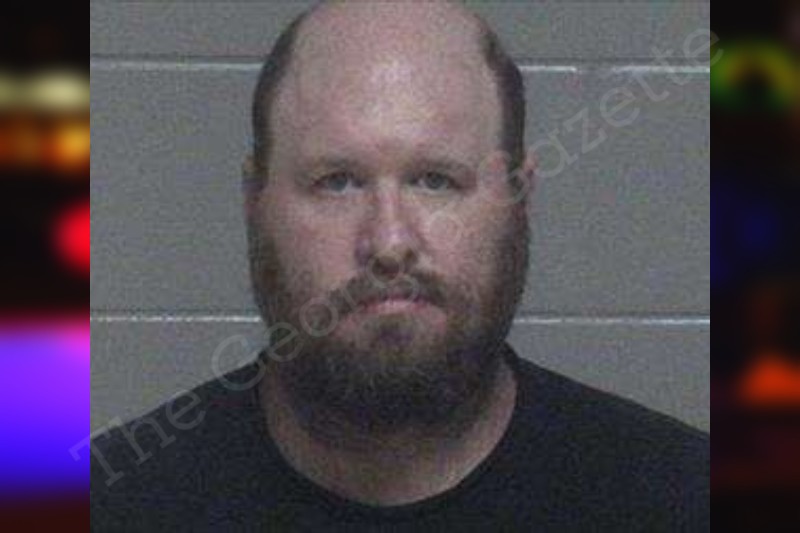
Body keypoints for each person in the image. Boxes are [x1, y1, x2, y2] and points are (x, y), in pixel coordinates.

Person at [90, 1, 709, 530]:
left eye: (436, 180)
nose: (388, 243)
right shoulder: (110, 506)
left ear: (519, 199)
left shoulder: (682, 500)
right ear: (256, 201)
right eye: (337, 181)